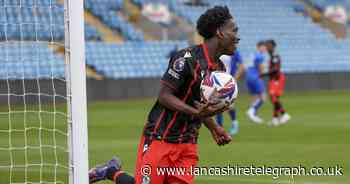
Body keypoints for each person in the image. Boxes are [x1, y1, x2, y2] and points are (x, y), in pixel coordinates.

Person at [89, 6, 240, 184]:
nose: (237, 37)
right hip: (160, 138)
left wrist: (214, 127)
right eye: (234, 30)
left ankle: (111, 171)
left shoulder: (220, 70)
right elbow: (164, 96)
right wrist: (196, 114)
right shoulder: (186, 59)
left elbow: (199, 105)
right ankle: (111, 172)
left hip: (188, 143)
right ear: (220, 32)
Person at [215, 51, 244, 135]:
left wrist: (234, 79)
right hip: (217, 80)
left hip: (228, 81)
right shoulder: (217, 51)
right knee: (217, 105)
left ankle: (234, 123)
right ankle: (219, 127)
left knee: (229, 105)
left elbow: (242, 66)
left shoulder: (233, 51)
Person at [264, 39, 291, 126]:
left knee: (272, 96)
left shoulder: (275, 56)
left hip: (277, 79)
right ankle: (275, 119)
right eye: (266, 46)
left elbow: (276, 69)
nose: (267, 47)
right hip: (273, 79)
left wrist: (264, 73)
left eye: (268, 46)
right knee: (274, 98)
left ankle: (284, 114)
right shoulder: (272, 56)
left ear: (273, 46)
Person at [245, 41, 267, 124]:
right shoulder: (260, 56)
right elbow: (261, 69)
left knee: (254, 97)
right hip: (255, 77)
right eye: (263, 47)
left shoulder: (252, 54)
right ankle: (251, 111)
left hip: (248, 76)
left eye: (265, 47)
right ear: (258, 47)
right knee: (263, 97)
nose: (264, 49)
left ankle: (253, 116)